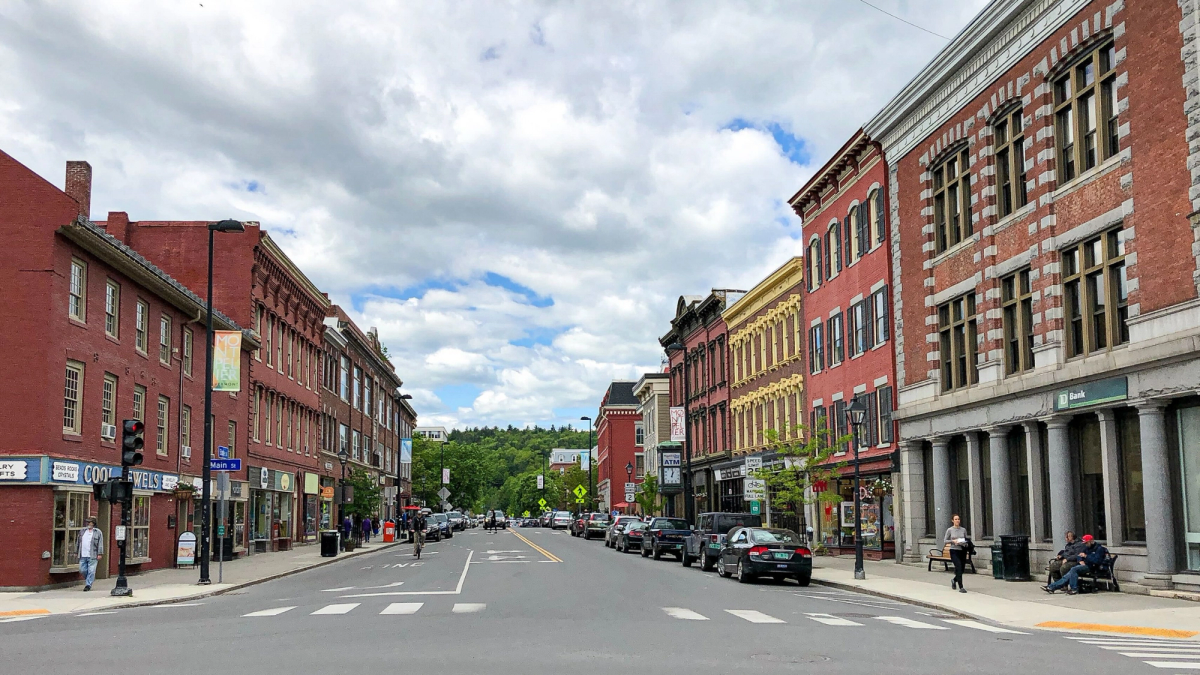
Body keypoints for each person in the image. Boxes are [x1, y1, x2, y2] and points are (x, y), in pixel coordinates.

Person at [1043, 534, 1109, 595]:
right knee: (1068, 575)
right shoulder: (1086, 548)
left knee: (1073, 569)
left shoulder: (1099, 549)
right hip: (1084, 564)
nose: (1085, 544)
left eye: (1086, 543)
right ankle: (1051, 587)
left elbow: (1097, 561)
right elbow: (1079, 555)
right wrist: (1080, 560)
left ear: (1091, 541)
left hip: (1093, 566)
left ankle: (1074, 589)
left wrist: (1086, 556)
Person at [942, 514, 970, 593]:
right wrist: (953, 541)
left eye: (958, 519)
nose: (957, 521)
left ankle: (954, 580)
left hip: (962, 550)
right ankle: (961, 587)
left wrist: (963, 542)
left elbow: (966, 540)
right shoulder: (950, 530)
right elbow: (945, 540)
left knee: (962, 569)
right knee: (958, 566)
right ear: (952, 521)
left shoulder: (963, 530)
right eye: (956, 519)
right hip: (954, 550)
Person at [74, 517, 104, 591]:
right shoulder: (82, 531)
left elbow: (100, 543)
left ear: (93, 523)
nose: (87, 523)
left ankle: (88, 585)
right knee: (82, 570)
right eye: (87, 522)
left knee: (91, 571)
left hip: (93, 554)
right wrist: (76, 551)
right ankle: (89, 579)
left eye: (89, 522)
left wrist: (100, 553)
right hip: (83, 554)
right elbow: (78, 542)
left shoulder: (97, 532)